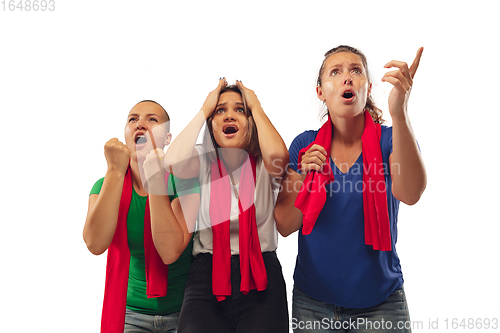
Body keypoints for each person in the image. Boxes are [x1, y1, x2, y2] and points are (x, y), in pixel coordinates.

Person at [274, 45, 426, 332]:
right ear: (320, 91)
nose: (347, 77)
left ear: (368, 88)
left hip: (382, 302)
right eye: (336, 72)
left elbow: (411, 193)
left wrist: (400, 113)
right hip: (313, 304)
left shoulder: (391, 140)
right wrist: (305, 177)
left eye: (356, 71)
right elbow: (284, 224)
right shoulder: (304, 146)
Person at [165, 79, 289, 333]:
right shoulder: (200, 159)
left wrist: (256, 105)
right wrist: (204, 110)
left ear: (251, 120)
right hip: (205, 277)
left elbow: (279, 156)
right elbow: (173, 161)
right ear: (211, 124)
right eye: (220, 110)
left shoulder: (265, 161)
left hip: (261, 275)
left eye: (239, 110)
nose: (229, 115)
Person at [83, 100, 200, 333]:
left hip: (184, 311)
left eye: (152, 119)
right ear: (125, 132)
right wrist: (115, 171)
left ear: (167, 138)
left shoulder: (184, 181)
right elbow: (95, 244)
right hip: (129, 313)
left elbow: (169, 252)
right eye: (133, 119)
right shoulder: (105, 184)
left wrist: (156, 180)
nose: (140, 124)